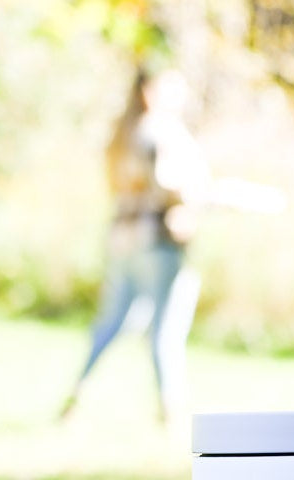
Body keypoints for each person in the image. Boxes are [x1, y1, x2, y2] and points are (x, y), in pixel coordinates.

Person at [60, 67, 208, 423]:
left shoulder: (121, 133)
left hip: (123, 239)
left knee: (112, 322)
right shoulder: (160, 131)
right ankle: (170, 410)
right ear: (151, 90)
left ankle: (79, 392)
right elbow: (168, 184)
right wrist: (197, 199)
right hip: (158, 238)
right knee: (166, 328)